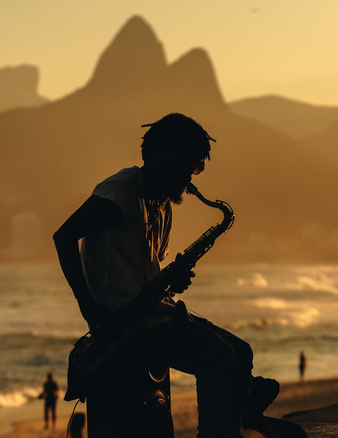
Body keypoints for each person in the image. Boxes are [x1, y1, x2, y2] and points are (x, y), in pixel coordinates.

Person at [54, 113, 254, 438]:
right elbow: (63, 236)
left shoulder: (162, 204)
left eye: (197, 166)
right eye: (187, 162)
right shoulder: (119, 194)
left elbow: (142, 271)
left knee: (241, 352)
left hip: (149, 314)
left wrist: (172, 282)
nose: (191, 173)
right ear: (157, 154)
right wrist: (87, 305)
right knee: (217, 356)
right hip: (124, 324)